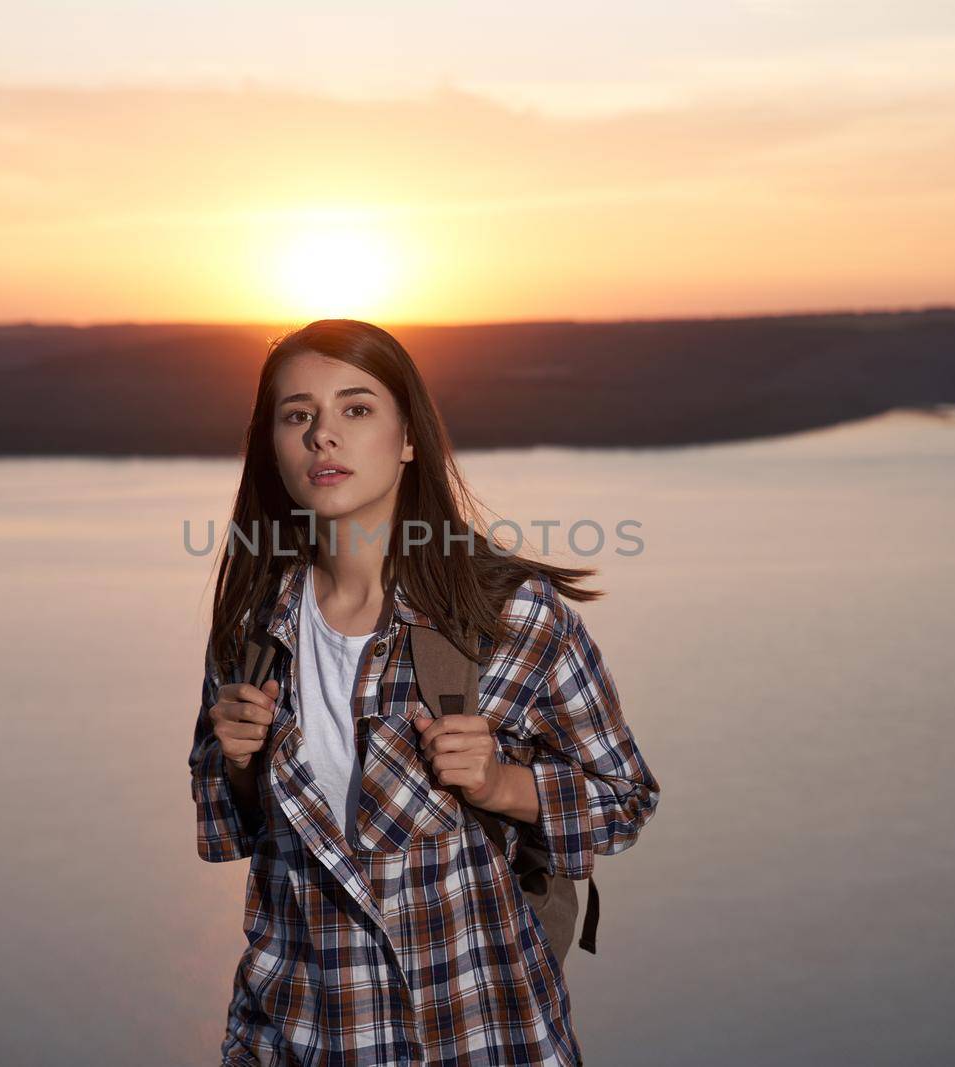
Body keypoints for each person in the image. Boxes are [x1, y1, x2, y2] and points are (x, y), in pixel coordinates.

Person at [188, 319, 661, 1065]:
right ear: (273, 445)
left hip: (478, 1037)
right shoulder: (252, 626)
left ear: (409, 437)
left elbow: (626, 798)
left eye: (357, 408)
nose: (323, 436)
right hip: (295, 1037)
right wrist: (240, 763)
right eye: (297, 414)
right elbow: (231, 830)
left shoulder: (509, 615)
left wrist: (502, 783)